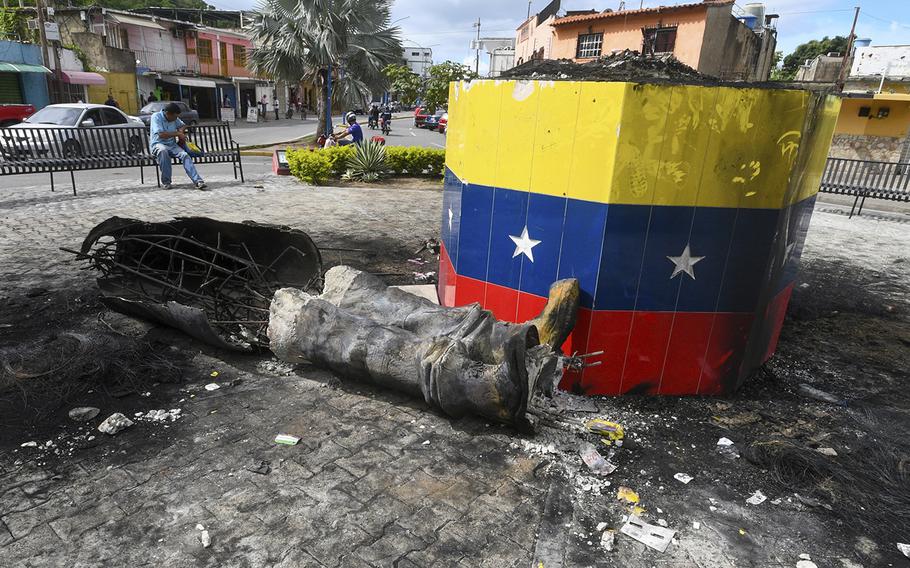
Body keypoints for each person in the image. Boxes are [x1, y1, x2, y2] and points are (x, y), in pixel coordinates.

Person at [150, 102, 206, 191]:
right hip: (158, 144)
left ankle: (198, 181)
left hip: (172, 145)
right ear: (167, 113)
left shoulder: (174, 118)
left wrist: (181, 131)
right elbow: (161, 134)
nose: (176, 119)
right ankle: (166, 182)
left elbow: (183, 125)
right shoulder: (156, 117)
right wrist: (177, 133)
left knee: (185, 155)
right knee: (163, 151)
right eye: (175, 117)